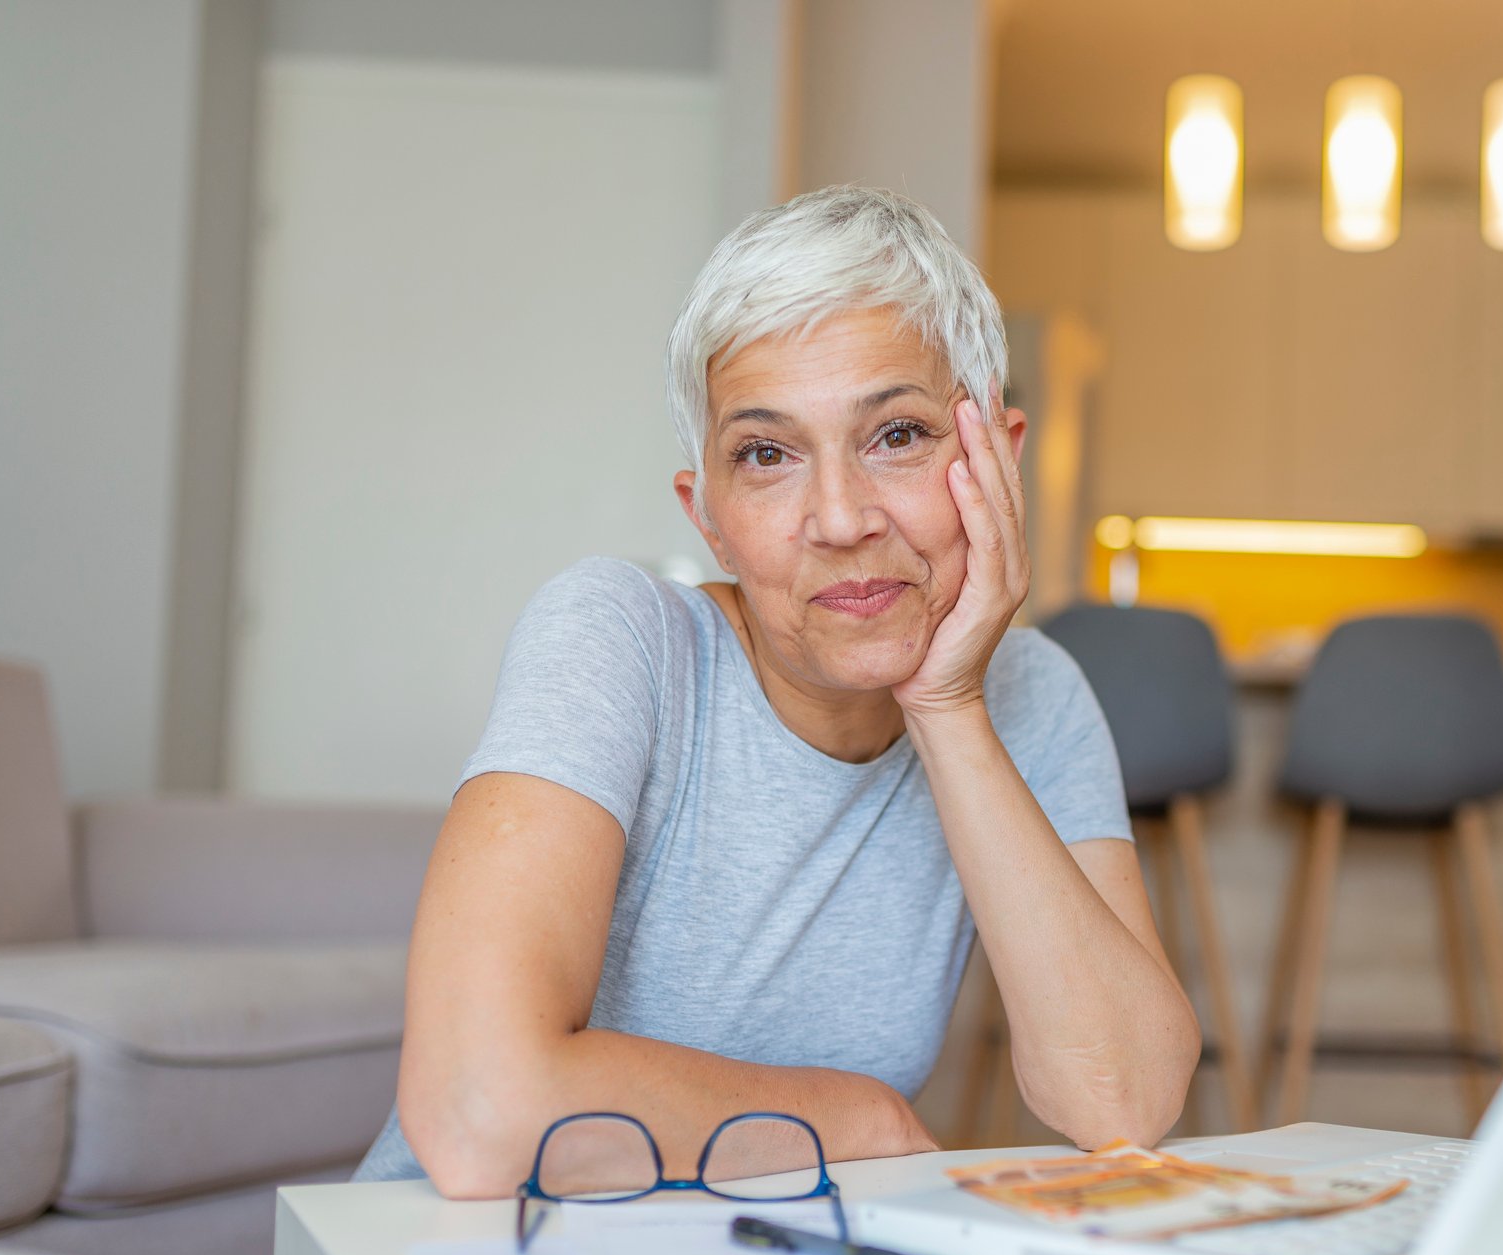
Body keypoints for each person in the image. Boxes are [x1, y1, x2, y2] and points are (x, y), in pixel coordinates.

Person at [353, 185, 1201, 1199]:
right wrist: (861, 1116)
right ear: (708, 515)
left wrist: (947, 707)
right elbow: (476, 1109)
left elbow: (1125, 1102)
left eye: (897, 436)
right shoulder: (620, 637)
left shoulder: (1035, 695)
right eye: (766, 455)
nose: (840, 517)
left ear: (997, 461)